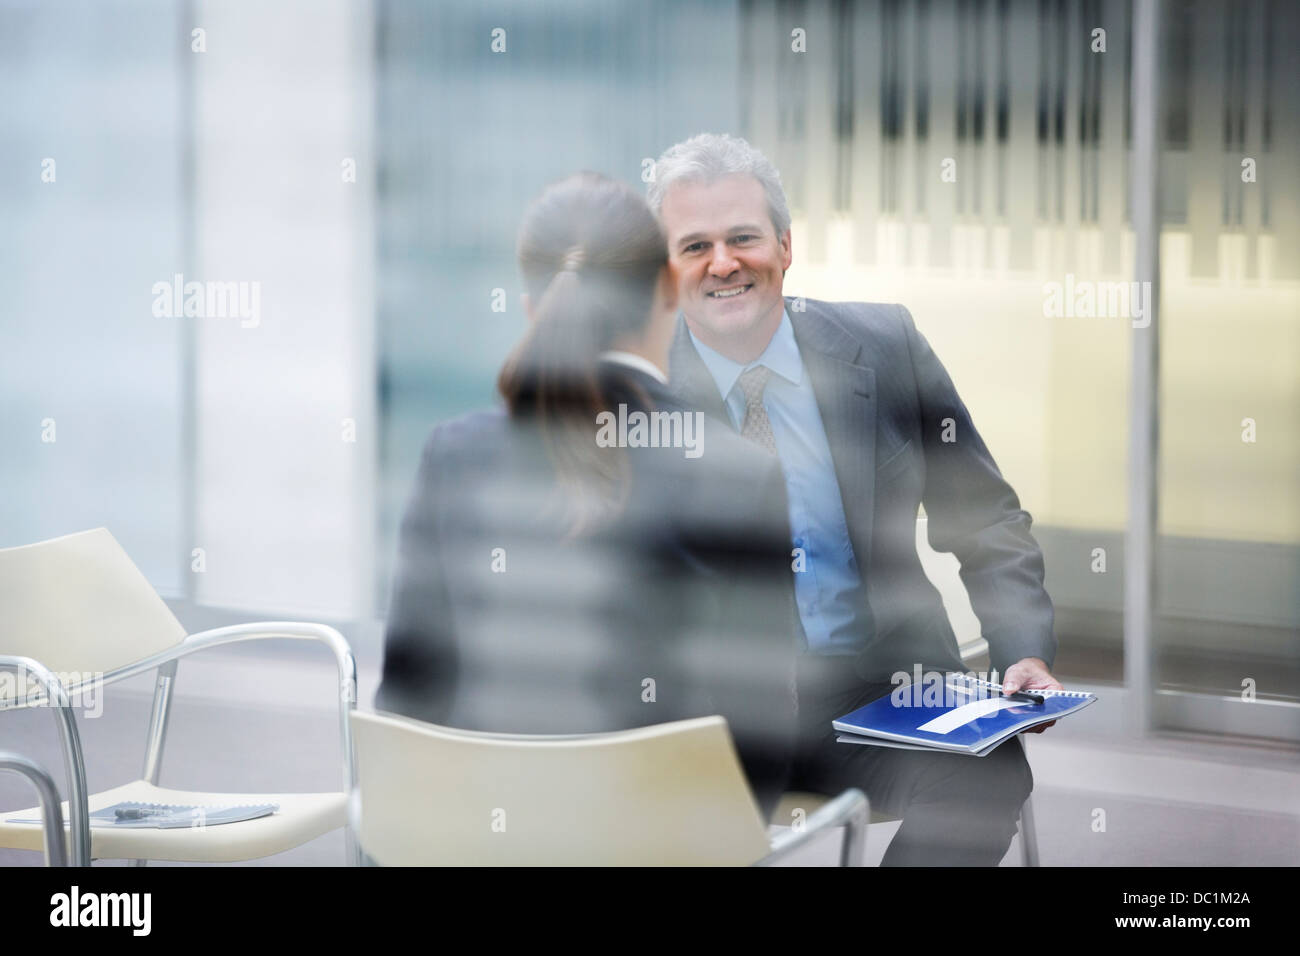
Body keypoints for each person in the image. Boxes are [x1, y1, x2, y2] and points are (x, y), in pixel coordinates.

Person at [647, 132, 1062, 865]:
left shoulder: (885, 345)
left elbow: (985, 515)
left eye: (743, 238)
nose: (722, 264)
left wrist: (1022, 649)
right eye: (695, 246)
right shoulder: (633, 397)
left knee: (986, 775)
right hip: (710, 720)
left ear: (784, 244)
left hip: (882, 691)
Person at [375, 171, 800, 822]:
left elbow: (407, 702)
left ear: (531, 308)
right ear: (666, 287)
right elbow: (761, 753)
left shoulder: (452, 455)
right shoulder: (740, 474)